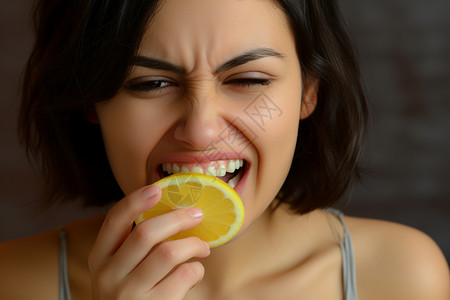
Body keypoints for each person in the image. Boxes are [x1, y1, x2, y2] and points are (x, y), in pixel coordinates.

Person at [0, 0, 448, 299]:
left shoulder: (401, 275)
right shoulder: (14, 282)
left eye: (248, 80)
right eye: (150, 84)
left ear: (309, 92)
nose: (200, 130)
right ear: (91, 103)